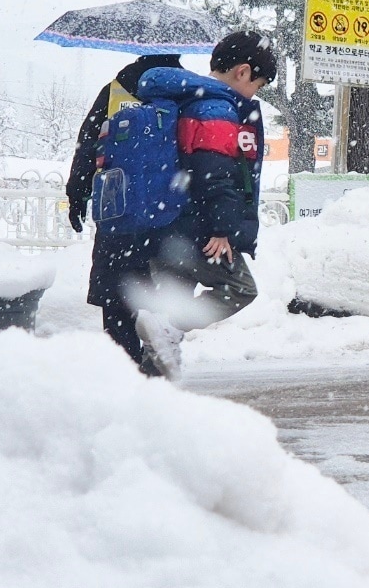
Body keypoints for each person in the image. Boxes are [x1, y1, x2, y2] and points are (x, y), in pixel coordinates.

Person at [129, 31, 277, 379]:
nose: (255, 93)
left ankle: (148, 402)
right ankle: (167, 326)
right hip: (199, 227)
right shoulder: (218, 108)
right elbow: (215, 171)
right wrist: (222, 229)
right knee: (239, 288)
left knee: (163, 341)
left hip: (166, 222)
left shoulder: (184, 99)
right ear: (242, 72)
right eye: (258, 83)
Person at [66, 53, 185, 374]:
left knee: (117, 296)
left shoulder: (115, 90)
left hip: (117, 211)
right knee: (158, 298)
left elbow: (88, 145)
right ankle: (156, 361)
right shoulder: (185, 91)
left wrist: (76, 194)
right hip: (167, 216)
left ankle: (125, 366)